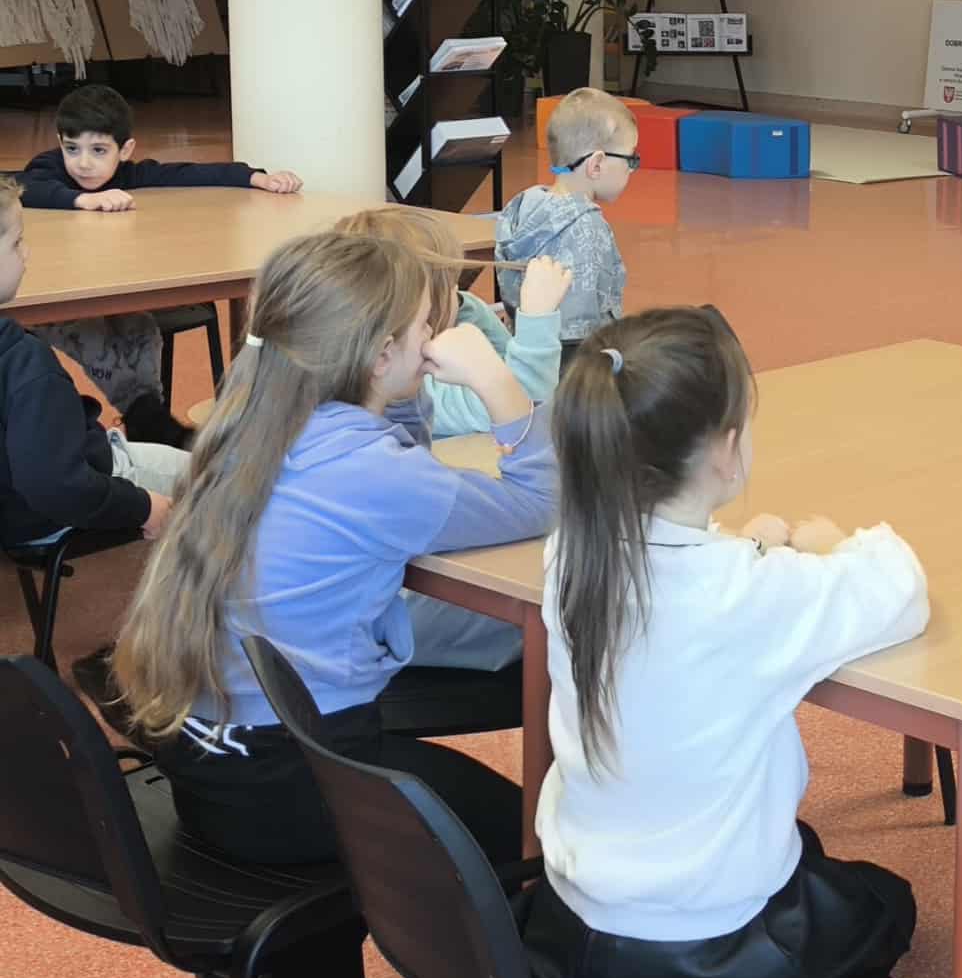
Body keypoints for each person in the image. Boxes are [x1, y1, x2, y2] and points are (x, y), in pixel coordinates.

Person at [112, 229, 555, 875]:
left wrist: (402, 388)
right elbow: (544, 498)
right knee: (533, 835)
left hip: (212, 769)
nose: (434, 335)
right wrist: (495, 378)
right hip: (298, 787)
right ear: (380, 354)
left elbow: (398, 458)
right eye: (423, 325)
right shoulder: (371, 472)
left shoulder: (256, 423)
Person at [524, 307, 927, 978]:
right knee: (889, 906)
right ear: (727, 451)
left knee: (819, 864)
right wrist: (834, 543)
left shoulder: (571, 555)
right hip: (711, 945)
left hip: (570, 923)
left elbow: (682, 572)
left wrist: (745, 543)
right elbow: (901, 587)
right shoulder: (746, 594)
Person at [19, 84, 303, 447]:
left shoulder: (129, 175)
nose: (83, 163)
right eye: (72, 148)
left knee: (141, 330)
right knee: (94, 336)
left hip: (114, 293)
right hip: (55, 298)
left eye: (98, 150)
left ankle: (146, 420)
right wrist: (80, 200)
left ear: (125, 150)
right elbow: (27, 186)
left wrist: (257, 177)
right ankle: (148, 422)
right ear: (60, 144)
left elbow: (188, 174)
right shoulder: (50, 170)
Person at [0, 176, 186, 551]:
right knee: (229, 480)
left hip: (15, 510)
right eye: (17, 242)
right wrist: (144, 507)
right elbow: (54, 484)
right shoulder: (26, 364)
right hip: (53, 510)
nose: (26, 252)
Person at [335, 205, 573, 436]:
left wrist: (456, 303)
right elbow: (521, 405)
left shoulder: (411, 345)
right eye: (450, 284)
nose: (459, 290)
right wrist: (537, 319)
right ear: (427, 305)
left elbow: (504, 366)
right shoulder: (408, 385)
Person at [497, 87, 635, 350]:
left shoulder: (522, 205)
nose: (631, 169)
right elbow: (578, 335)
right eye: (631, 159)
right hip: (575, 366)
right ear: (596, 164)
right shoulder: (588, 229)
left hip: (524, 351)